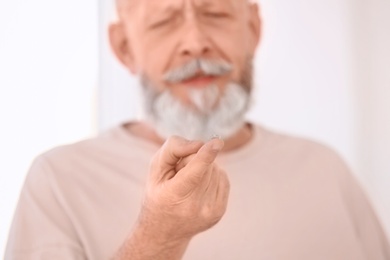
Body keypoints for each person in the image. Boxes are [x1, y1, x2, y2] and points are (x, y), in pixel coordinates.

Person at [5, 0, 390, 259]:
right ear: (124, 48)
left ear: (253, 29)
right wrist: (158, 237)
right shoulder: (57, 182)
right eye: (163, 21)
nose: (195, 43)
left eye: (216, 13)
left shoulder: (326, 169)